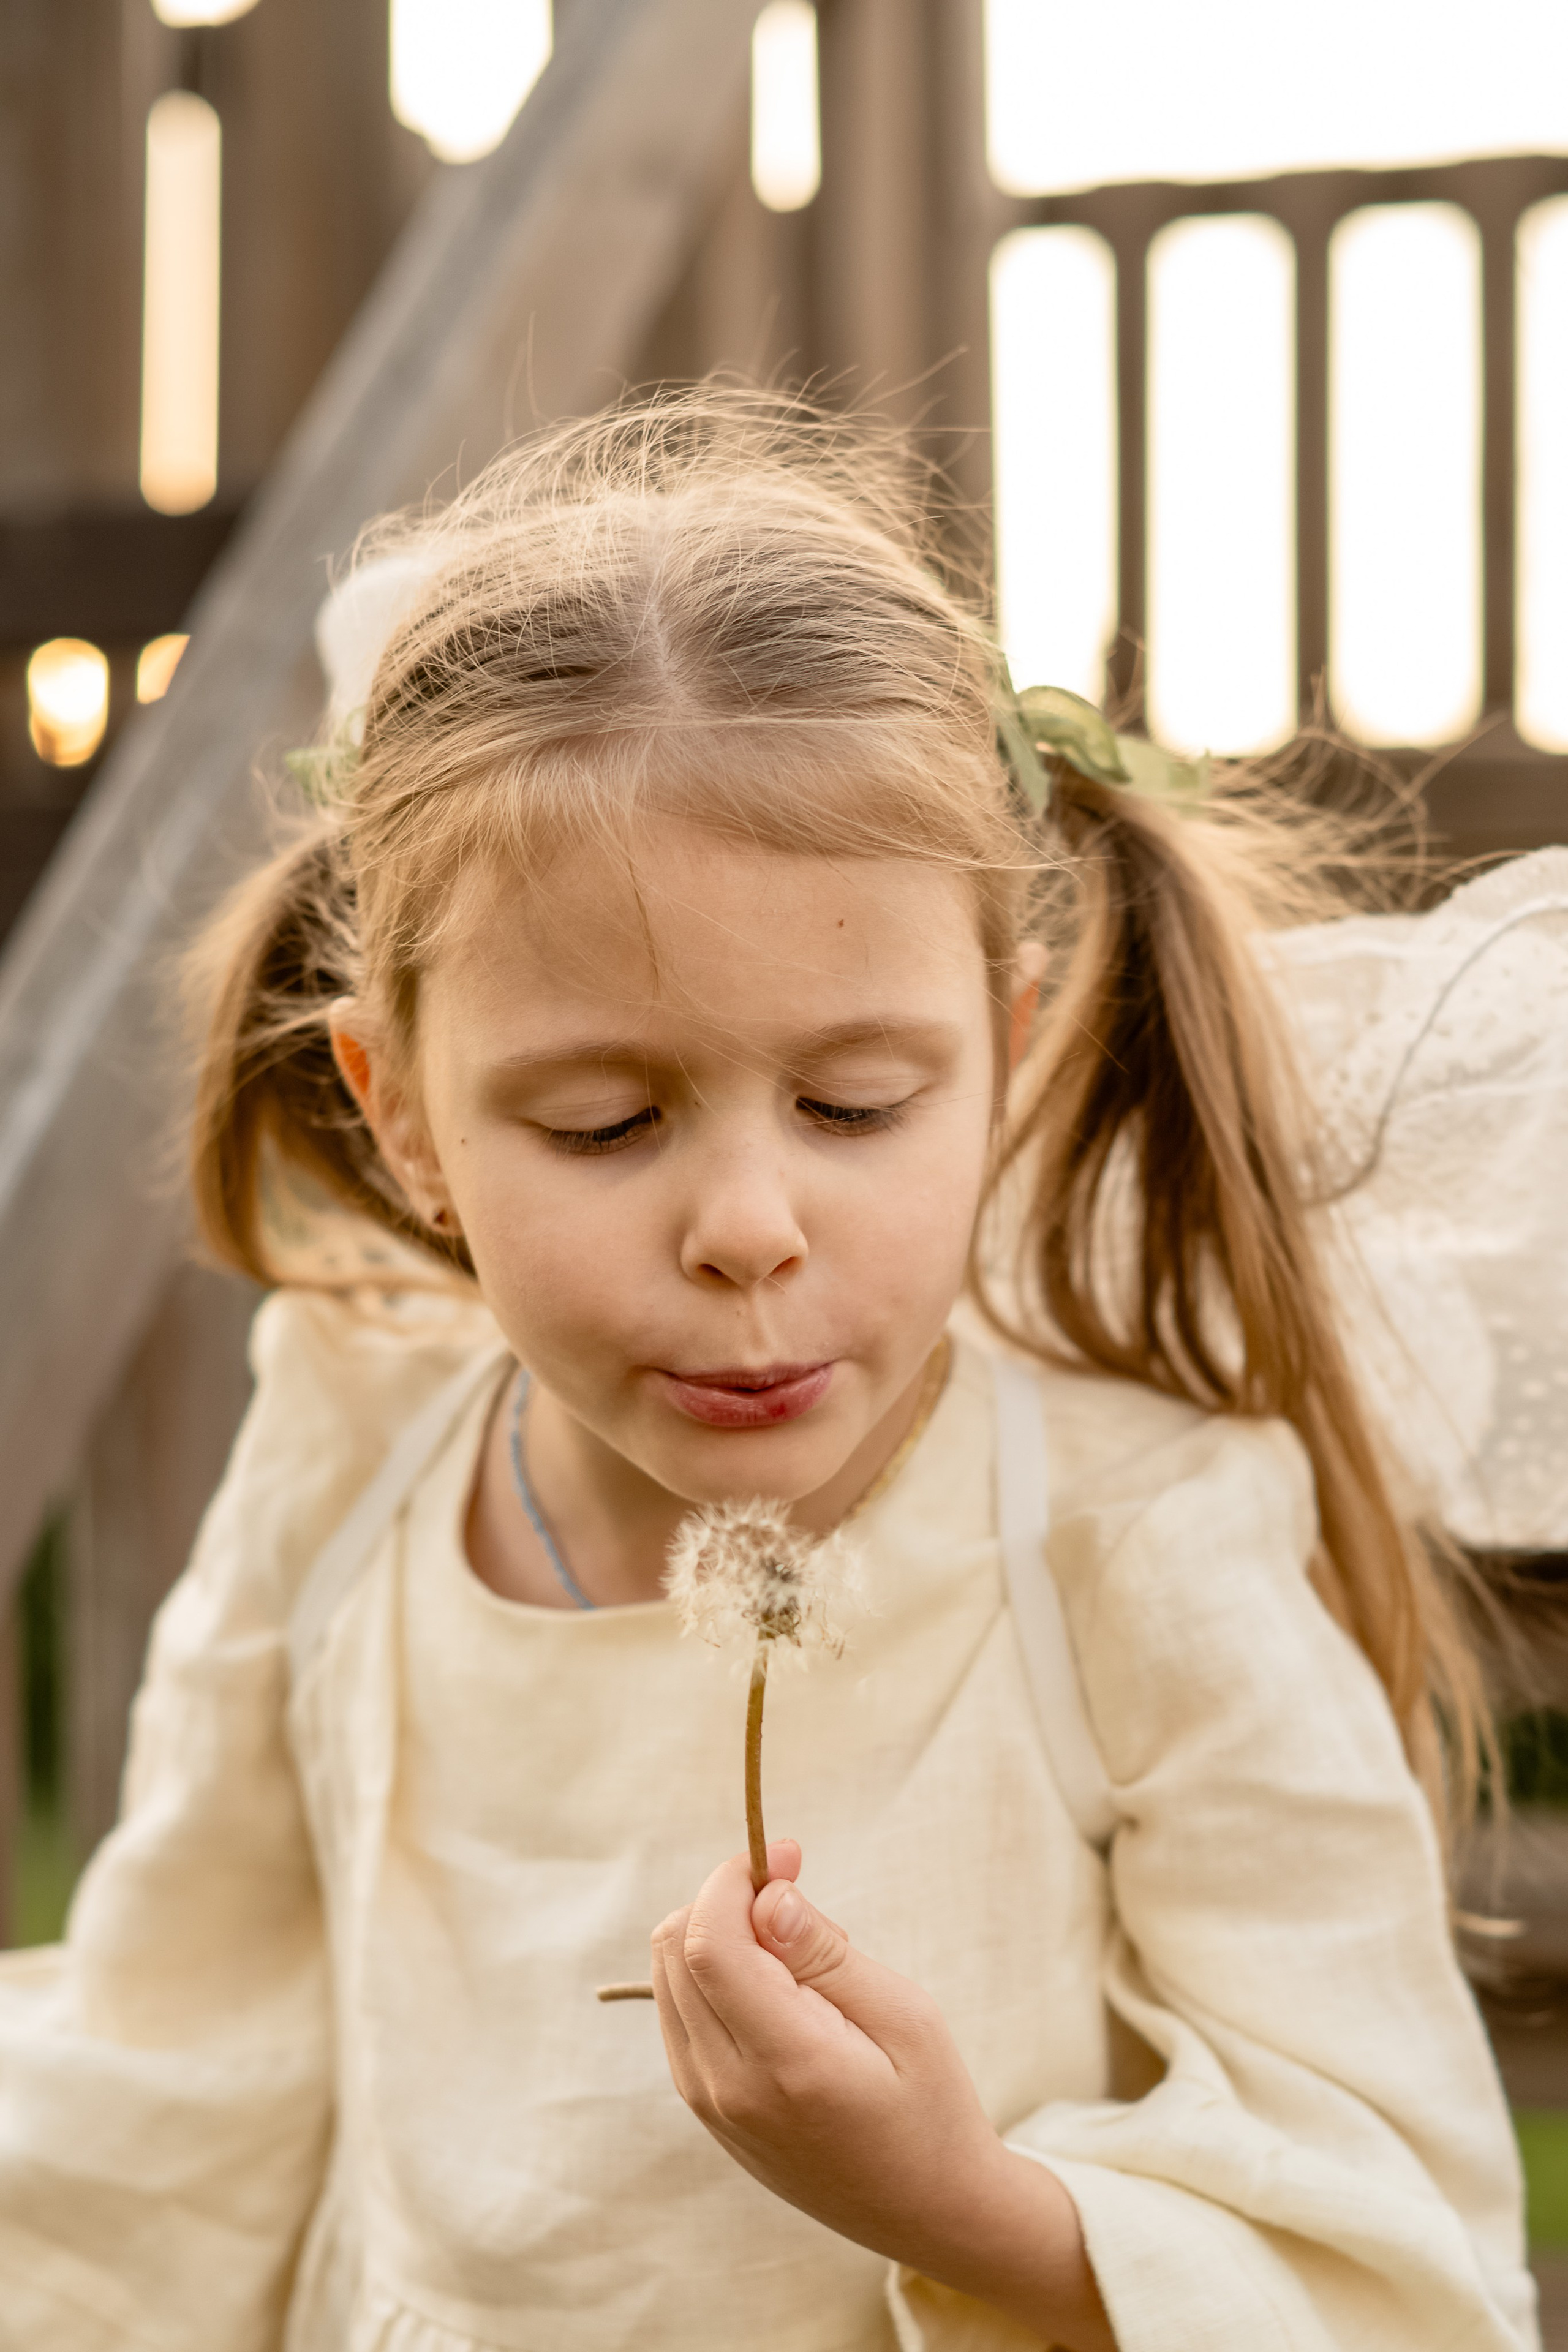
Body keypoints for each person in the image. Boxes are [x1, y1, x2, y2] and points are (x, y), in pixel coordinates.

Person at [0, 390, 1549, 2352]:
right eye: (600, 1125)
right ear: (400, 1119)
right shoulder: (353, 1448)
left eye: (852, 1100)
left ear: (1002, 1047)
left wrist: (963, 2207)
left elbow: (1402, 2251)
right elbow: (171, 2074)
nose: (749, 1223)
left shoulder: (1134, 1539)